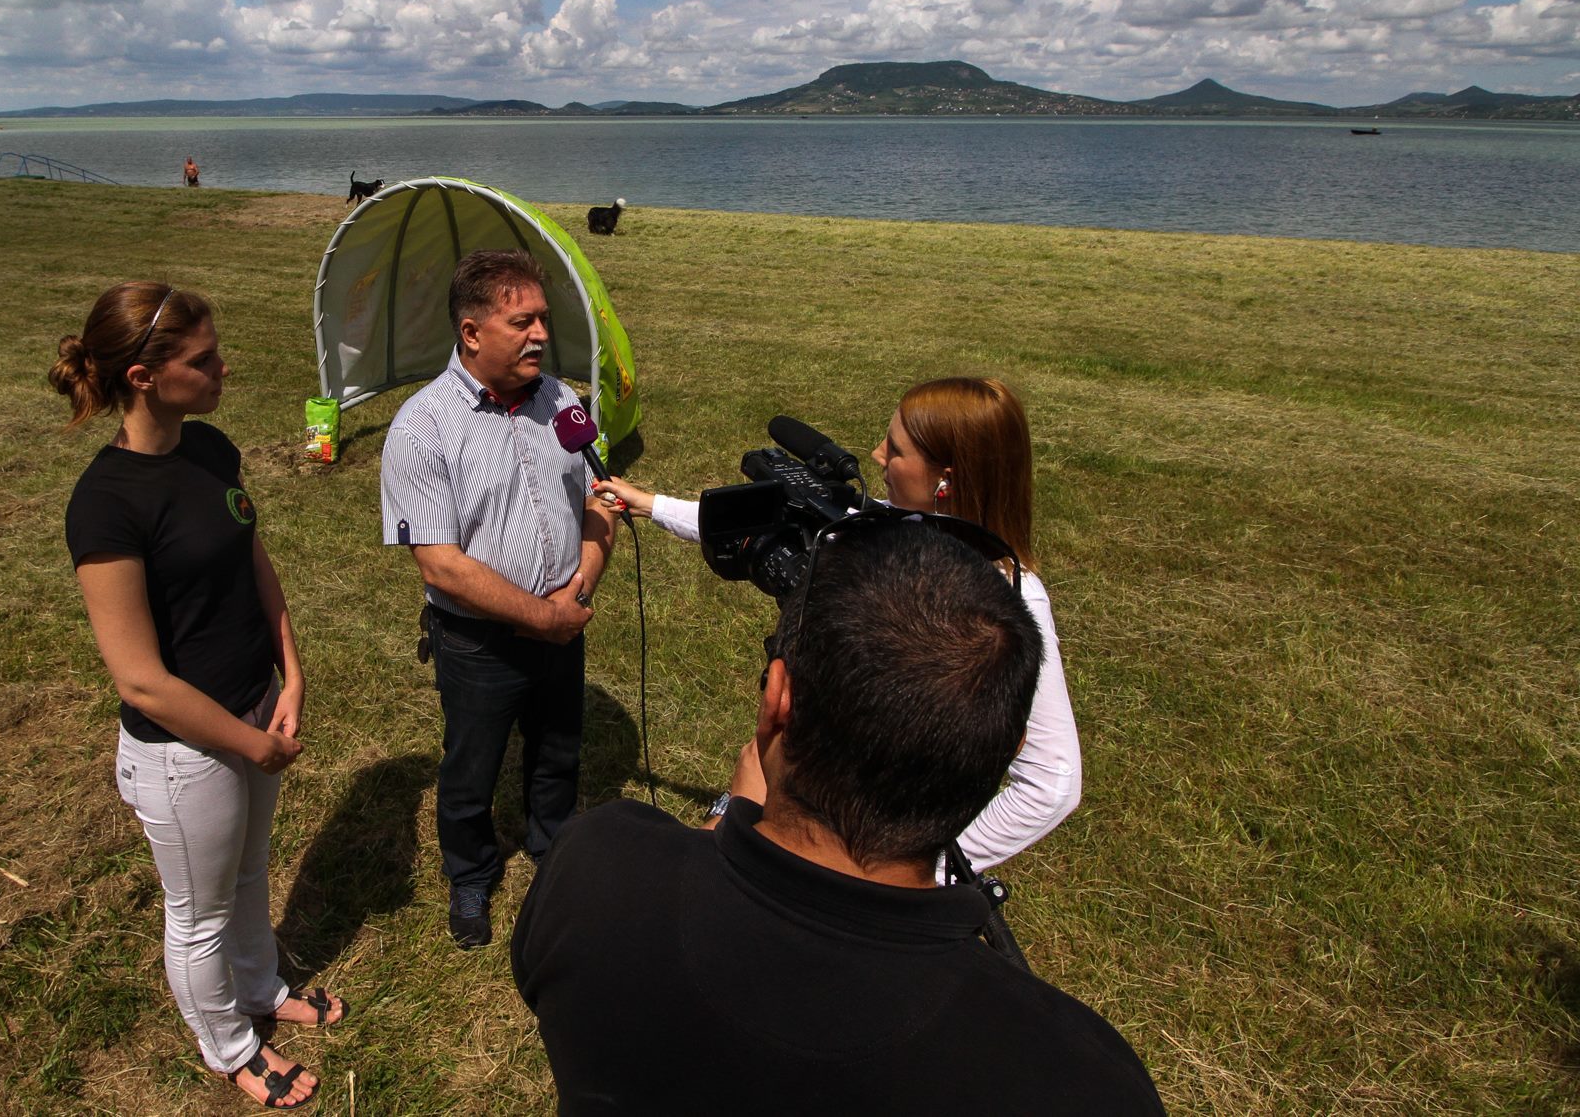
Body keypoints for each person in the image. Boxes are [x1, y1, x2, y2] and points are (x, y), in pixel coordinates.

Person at [511, 517, 1164, 1114]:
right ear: (1004, 748)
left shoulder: (595, 869)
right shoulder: (1079, 1077)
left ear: (775, 702)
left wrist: (728, 817)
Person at [595, 377, 1079, 870]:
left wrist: (928, 869)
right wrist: (650, 504)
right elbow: (761, 527)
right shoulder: (884, 524)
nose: (875, 454)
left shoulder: (1013, 601)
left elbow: (1051, 781)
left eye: (895, 449)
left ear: (945, 480)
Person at [54, 282, 342, 1110]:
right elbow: (140, 676)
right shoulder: (106, 505)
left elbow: (253, 558)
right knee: (200, 911)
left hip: (256, 705)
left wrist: (290, 672)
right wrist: (249, 742)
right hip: (184, 752)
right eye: (203, 358)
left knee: (249, 872)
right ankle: (233, 1047)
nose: (225, 366)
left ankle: (260, 988)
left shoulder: (211, 449)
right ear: (143, 376)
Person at [379, 249, 615, 949]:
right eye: (523, 321)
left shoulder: (564, 402)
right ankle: (472, 873)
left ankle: (555, 850)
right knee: (470, 765)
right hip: (476, 642)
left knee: (558, 752)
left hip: (564, 621)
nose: (541, 332)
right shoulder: (423, 427)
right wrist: (540, 616)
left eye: (543, 317)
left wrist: (580, 586)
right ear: (472, 331)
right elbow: (442, 564)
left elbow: (601, 499)